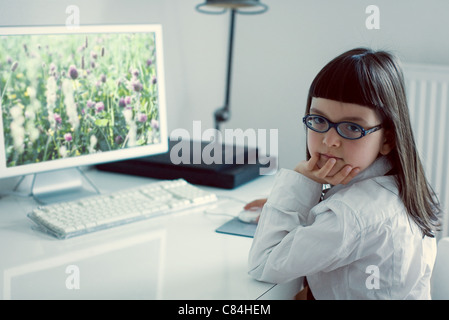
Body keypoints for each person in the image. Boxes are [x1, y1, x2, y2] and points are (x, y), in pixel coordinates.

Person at [247, 47, 442, 299]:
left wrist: (301, 177)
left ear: (388, 139)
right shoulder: (396, 188)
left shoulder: (350, 215)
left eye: (351, 127)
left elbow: (263, 263)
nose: (329, 140)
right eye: (318, 121)